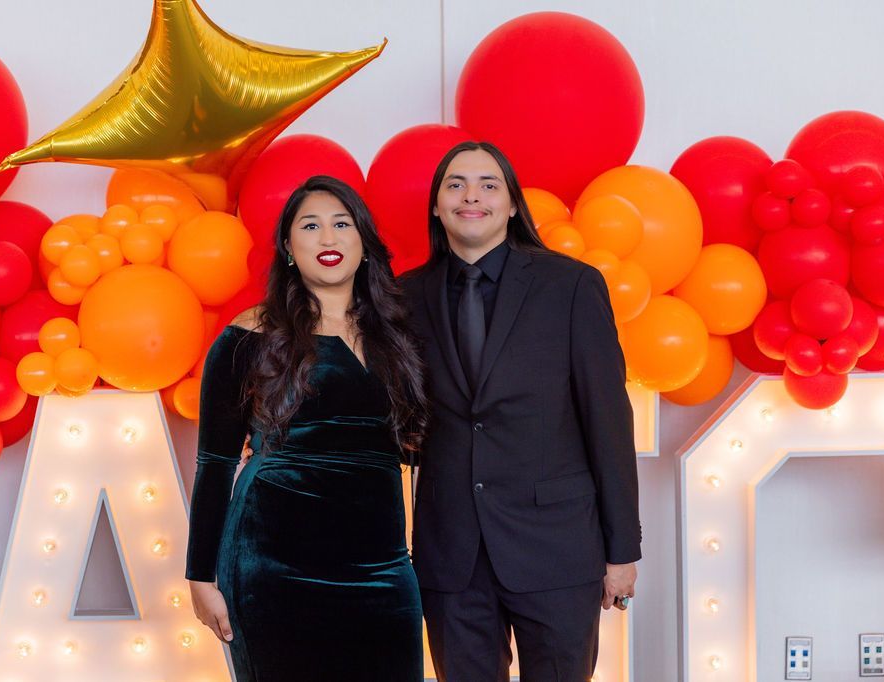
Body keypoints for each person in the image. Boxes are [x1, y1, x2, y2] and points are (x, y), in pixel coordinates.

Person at [402, 141, 641, 681]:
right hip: (451, 556)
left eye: (489, 185)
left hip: (558, 549)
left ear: (512, 204)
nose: (472, 196)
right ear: (437, 205)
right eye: (456, 185)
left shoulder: (571, 286)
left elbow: (607, 420)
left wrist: (622, 550)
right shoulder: (402, 297)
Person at [186, 175, 427, 681]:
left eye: (342, 224)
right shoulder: (249, 335)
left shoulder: (399, 334)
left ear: (364, 241)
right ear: (288, 248)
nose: (328, 237)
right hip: (274, 567)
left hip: (382, 567)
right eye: (310, 226)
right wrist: (199, 576)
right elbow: (215, 461)